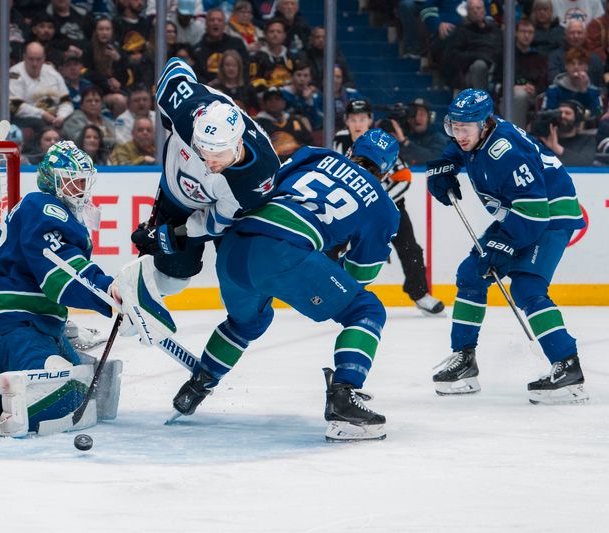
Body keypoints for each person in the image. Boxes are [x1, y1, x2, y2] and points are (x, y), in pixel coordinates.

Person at [171, 131, 402, 441]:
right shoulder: (383, 206)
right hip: (283, 251)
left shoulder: (318, 155)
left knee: (248, 321)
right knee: (365, 309)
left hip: (233, 249)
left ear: (349, 151)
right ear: (386, 171)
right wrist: (327, 277)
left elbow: (263, 185)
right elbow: (360, 276)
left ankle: (196, 386)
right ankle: (343, 397)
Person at [0, 141, 125, 437]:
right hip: (6, 318)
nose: (80, 187)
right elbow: (59, 270)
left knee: (90, 392)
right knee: (64, 392)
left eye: (84, 180)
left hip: (31, 320)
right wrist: (107, 289)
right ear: (51, 179)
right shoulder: (44, 206)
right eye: (72, 179)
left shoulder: (53, 211)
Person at [426, 89, 588, 404]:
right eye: (454, 127)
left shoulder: (506, 151)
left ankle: (567, 365)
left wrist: (503, 247)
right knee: (471, 275)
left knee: (527, 288)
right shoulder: (476, 136)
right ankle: (464, 361)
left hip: (550, 216)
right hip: (519, 214)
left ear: (484, 124)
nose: (459, 135)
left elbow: (535, 211)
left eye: (465, 128)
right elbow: (458, 150)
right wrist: (444, 165)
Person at [130, 57, 281, 297]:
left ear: (237, 143)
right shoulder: (189, 112)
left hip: (225, 210)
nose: (209, 162)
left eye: (218, 154)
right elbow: (175, 68)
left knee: (241, 278)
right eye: (202, 151)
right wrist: (169, 121)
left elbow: (213, 223)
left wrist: (169, 235)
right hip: (174, 193)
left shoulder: (256, 181)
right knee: (172, 279)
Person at [334, 99, 444, 315]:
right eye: (353, 119)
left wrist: (379, 201)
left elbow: (403, 177)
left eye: (363, 119)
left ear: (370, 121)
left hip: (390, 206)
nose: (358, 124)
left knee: (410, 248)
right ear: (346, 121)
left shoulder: (381, 141)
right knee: (336, 245)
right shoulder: (340, 140)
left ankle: (420, 294)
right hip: (353, 206)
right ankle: (335, 292)